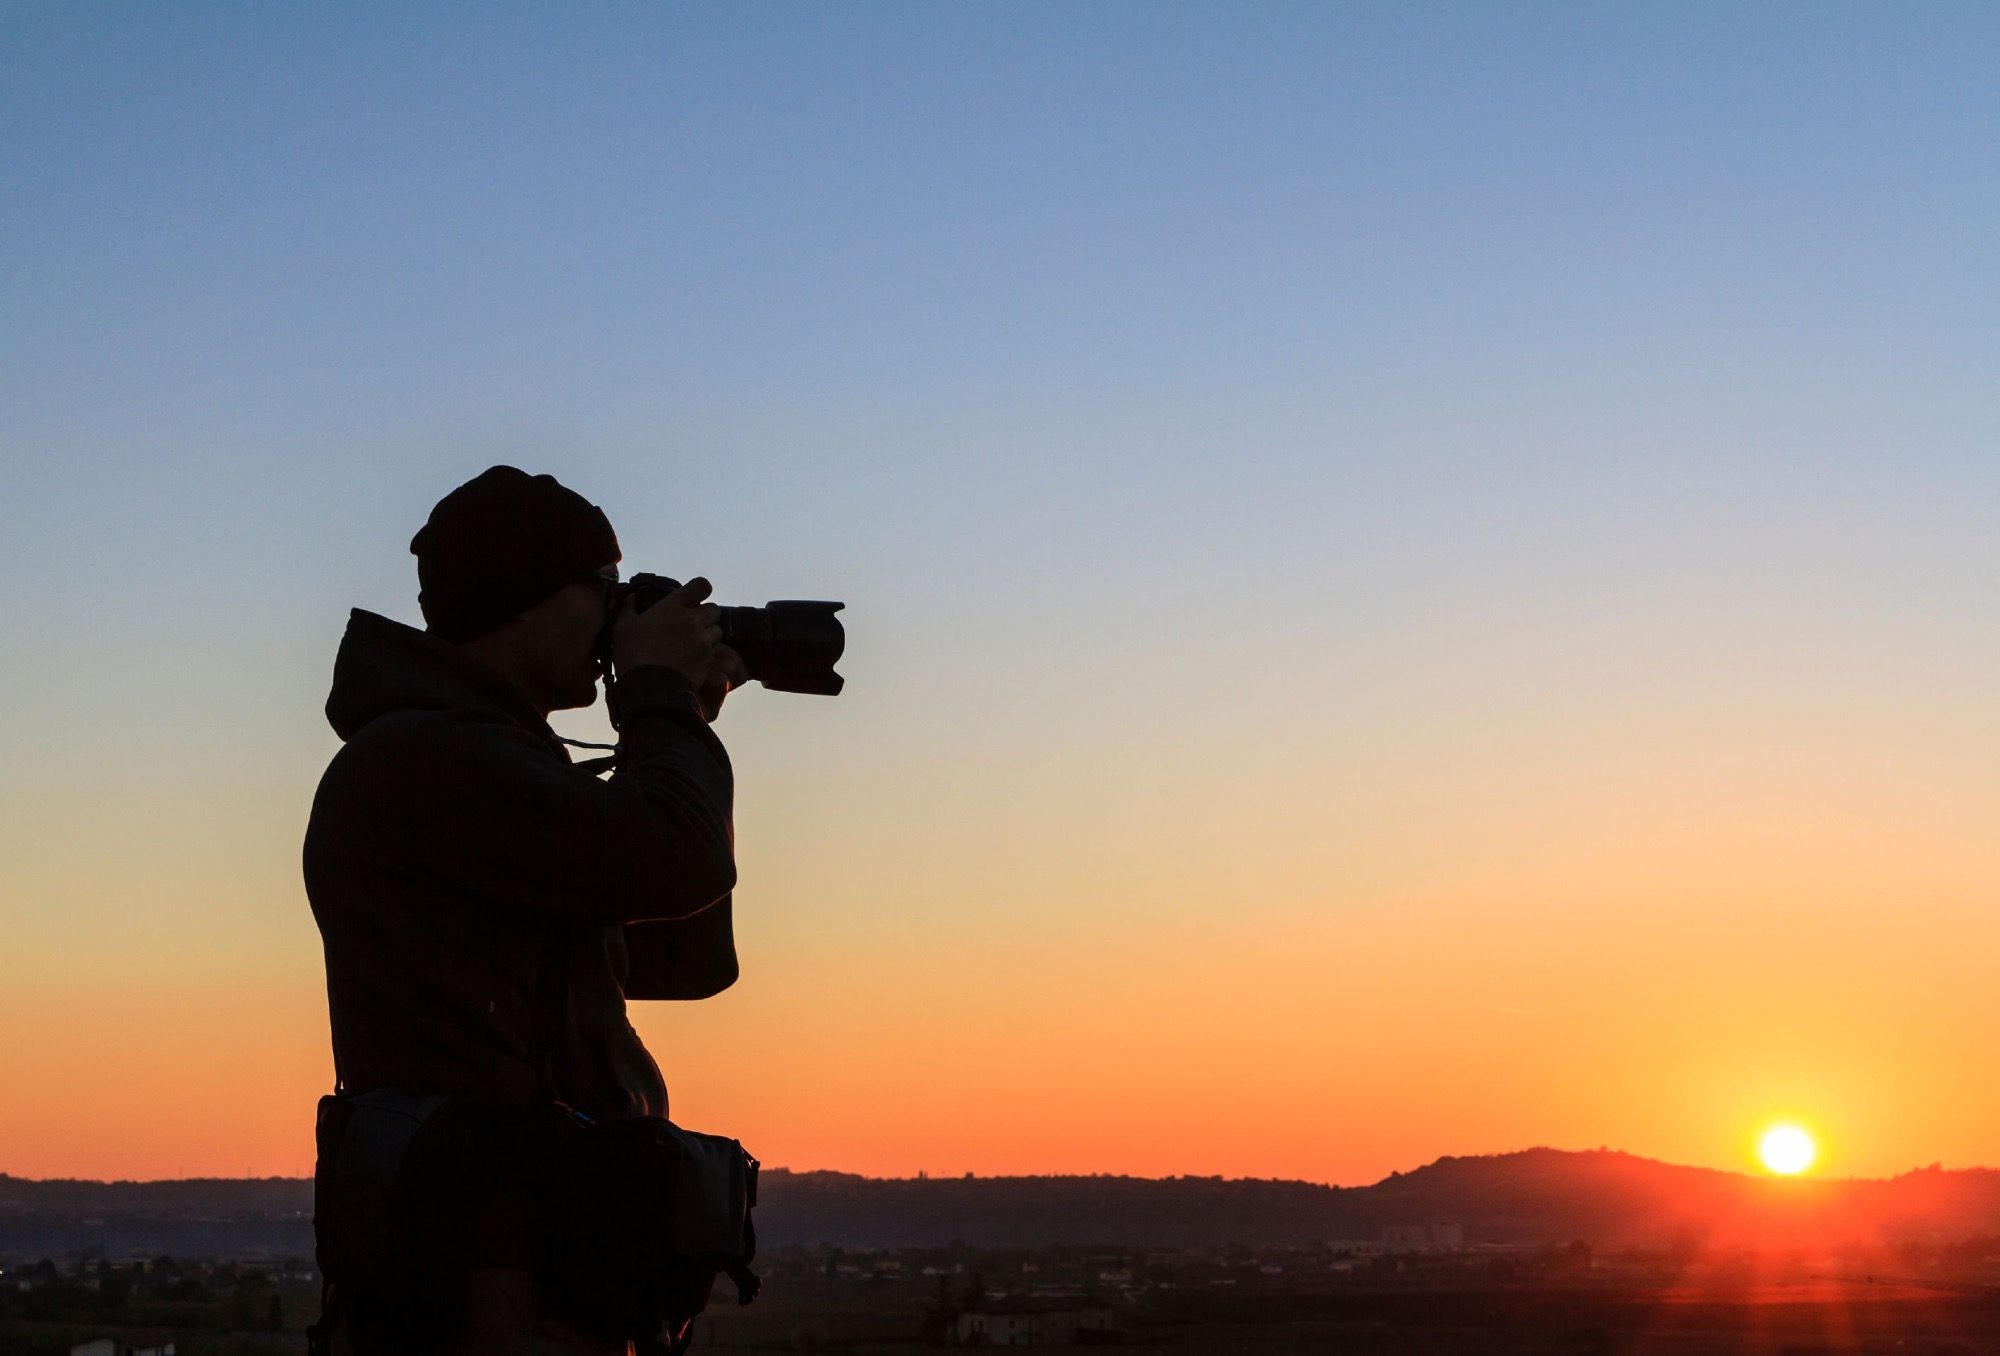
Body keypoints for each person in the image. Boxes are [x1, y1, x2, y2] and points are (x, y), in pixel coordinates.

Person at [304, 466, 747, 1355]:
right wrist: (661, 708)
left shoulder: (491, 765)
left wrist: (680, 719)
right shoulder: (431, 762)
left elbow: (688, 956)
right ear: (528, 598)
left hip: (542, 1263)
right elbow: (672, 861)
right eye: (605, 590)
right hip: (488, 1280)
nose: (618, 618)